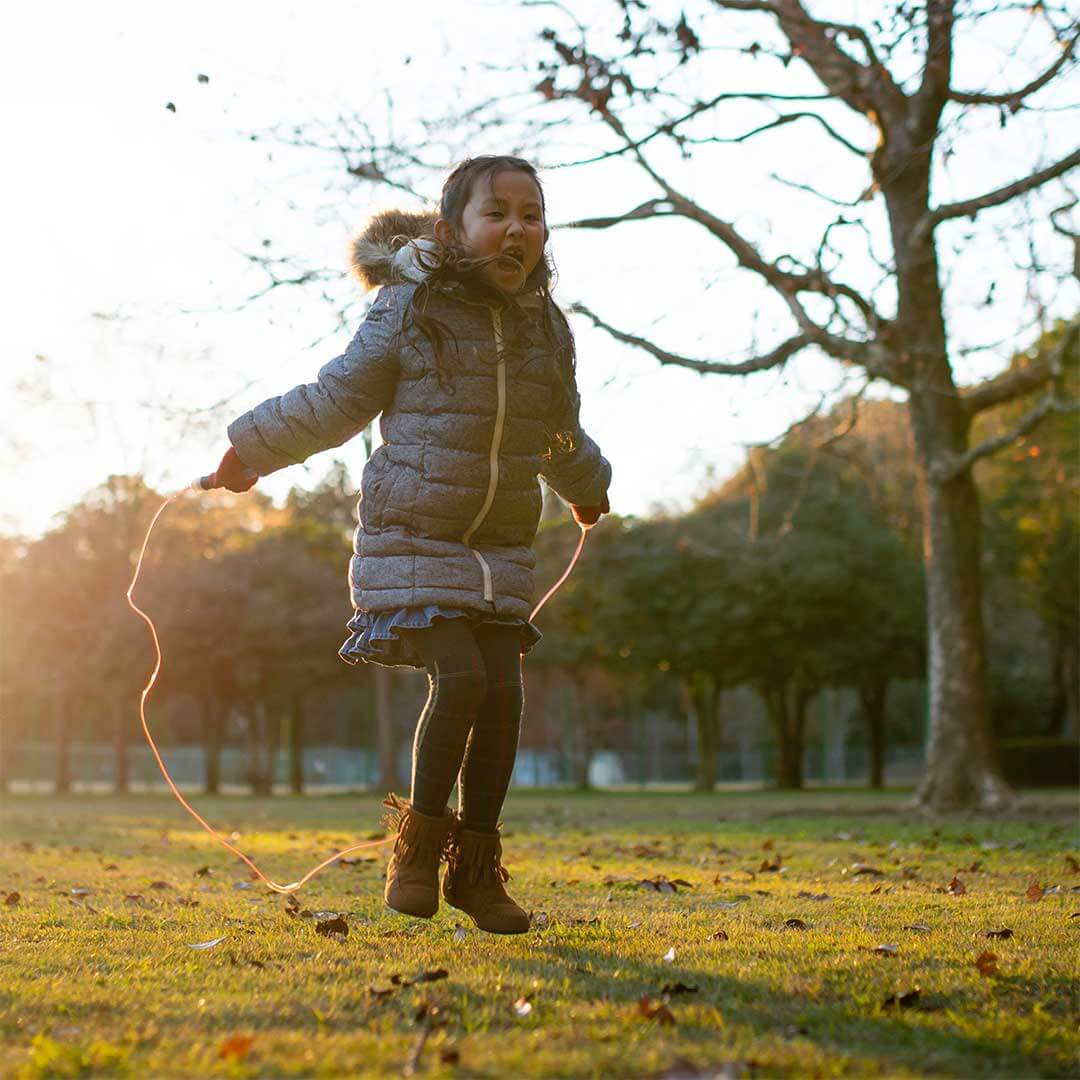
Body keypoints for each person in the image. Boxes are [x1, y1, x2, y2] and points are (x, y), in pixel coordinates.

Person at [210, 155, 611, 934]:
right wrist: (253, 448)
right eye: (496, 213)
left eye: (531, 215)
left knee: (504, 694)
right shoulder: (408, 307)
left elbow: (555, 428)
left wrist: (588, 485)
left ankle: (476, 871)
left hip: (500, 552)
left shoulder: (544, 328)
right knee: (459, 677)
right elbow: (338, 398)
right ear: (451, 229)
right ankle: (419, 848)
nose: (516, 229)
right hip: (413, 538)